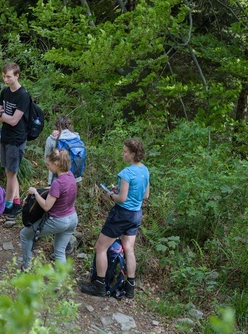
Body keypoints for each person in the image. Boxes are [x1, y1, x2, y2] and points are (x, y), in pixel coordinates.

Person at [82, 138, 150, 299]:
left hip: (121, 214)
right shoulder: (145, 170)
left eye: (125, 151)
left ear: (133, 154)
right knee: (129, 248)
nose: (122, 153)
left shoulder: (126, 173)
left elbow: (122, 199)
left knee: (100, 248)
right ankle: (130, 287)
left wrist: (111, 194)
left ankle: (99, 285)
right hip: (136, 214)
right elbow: (145, 195)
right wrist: (119, 190)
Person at [20, 149, 78, 270]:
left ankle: (26, 267)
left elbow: (47, 206)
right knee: (60, 251)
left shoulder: (58, 182)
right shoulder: (70, 176)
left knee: (25, 235)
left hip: (58, 221)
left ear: (56, 164)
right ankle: (59, 284)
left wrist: (35, 193)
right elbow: (54, 190)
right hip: (72, 218)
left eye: (48, 165)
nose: (48, 167)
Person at [0, 62, 31, 225]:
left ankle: (8, 204)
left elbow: (15, 120)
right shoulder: (5, 91)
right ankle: (15, 203)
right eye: (4, 76)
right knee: (9, 171)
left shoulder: (23, 95)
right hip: (6, 135)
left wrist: (3, 115)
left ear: (17, 76)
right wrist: (4, 116)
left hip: (17, 139)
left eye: (9, 76)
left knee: (11, 172)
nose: (6, 79)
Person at [45, 115, 83, 184]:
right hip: (74, 177)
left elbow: (46, 158)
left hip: (56, 178)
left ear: (56, 126)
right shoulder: (76, 137)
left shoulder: (51, 139)